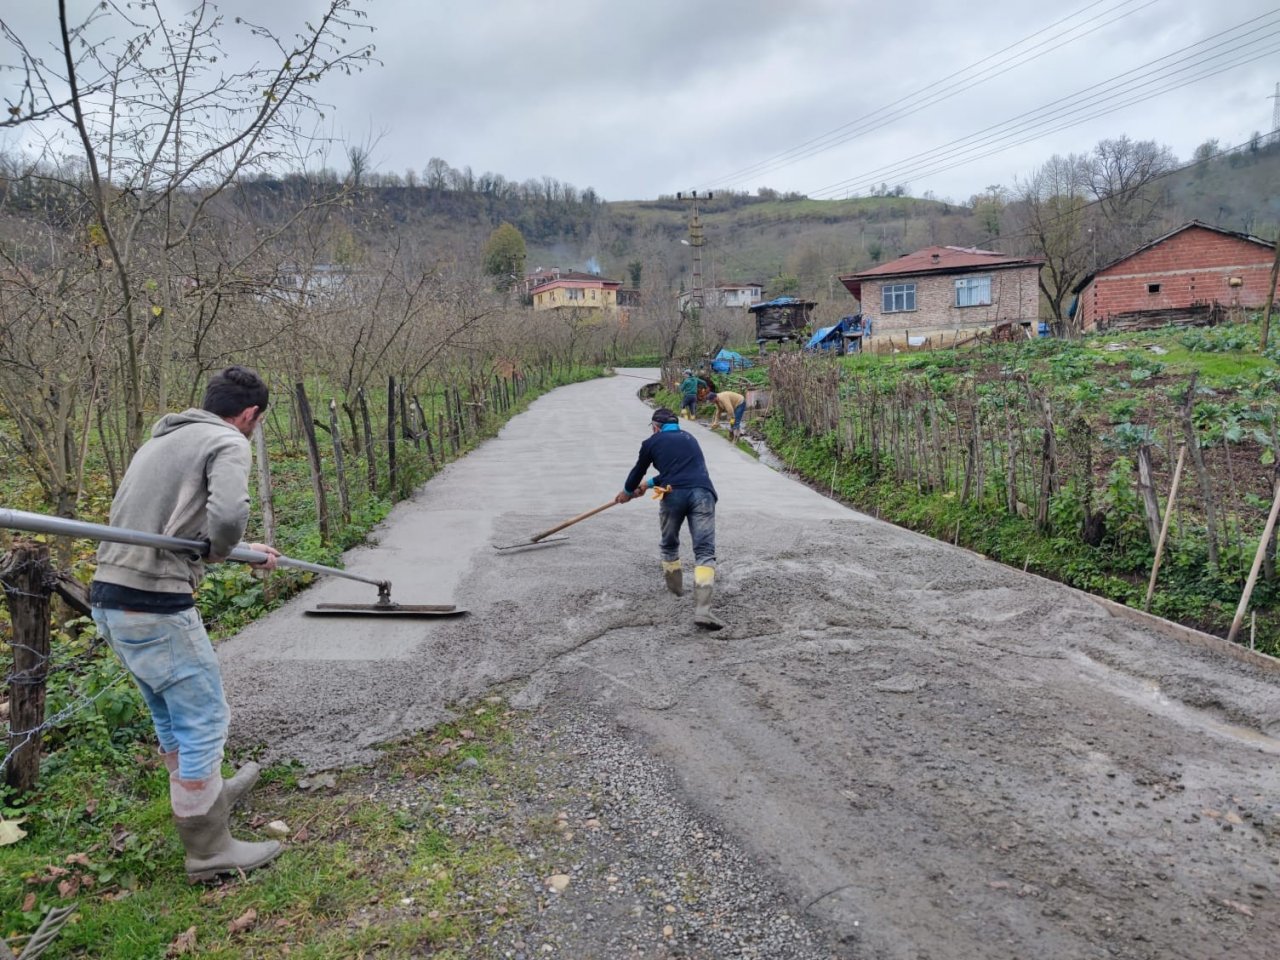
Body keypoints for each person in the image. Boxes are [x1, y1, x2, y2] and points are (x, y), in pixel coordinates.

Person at [90, 365, 283, 882]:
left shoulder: (165, 438)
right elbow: (223, 520)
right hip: (154, 601)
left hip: (110, 596)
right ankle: (208, 849)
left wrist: (238, 554)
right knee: (205, 718)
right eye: (255, 422)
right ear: (249, 415)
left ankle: (205, 796)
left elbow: (172, 526)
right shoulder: (227, 441)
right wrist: (226, 547)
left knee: (172, 717)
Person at [615, 407, 724, 630]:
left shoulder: (651, 443)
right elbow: (682, 470)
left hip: (673, 494)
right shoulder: (690, 439)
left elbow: (638, 471)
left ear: (656, 427)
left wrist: (627, 491)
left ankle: (676, 595)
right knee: (704, 551)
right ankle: (703, 609)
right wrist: (647, 485)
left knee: (669, 544)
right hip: (702, 493)